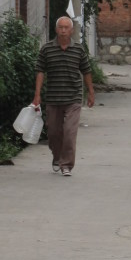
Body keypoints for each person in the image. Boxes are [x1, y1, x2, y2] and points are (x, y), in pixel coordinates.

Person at [32, 16, 94, 177]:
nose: (64, 30)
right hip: (53, 98)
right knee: (53, 133)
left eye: (67, 27)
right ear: (56, 29)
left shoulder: (79, 49)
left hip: (73, 97)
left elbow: (86, 71)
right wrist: (37, 94)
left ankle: (66, 164)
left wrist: (91, 93)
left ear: (72, 30)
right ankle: (57, 156)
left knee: (69, 132)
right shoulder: (47, 49)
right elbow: (40, 71)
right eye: (61, 27)